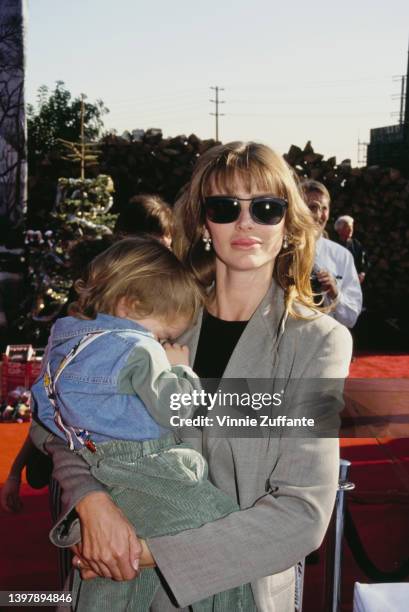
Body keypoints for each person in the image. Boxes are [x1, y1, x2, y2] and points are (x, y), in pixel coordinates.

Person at [31, 142, 352, 612]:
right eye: (225, 207)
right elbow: (59, 419)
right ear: (204, 223)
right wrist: (92, 502)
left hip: (233, 589)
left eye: (266, 207)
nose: (245, 222)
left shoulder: (317, 342)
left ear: (288, 225)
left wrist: (145, 554)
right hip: (112, 584)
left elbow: (302, 513)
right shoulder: (157, 316)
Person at [31, 236, 254, 611]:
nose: (164, 341)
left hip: (98, 464)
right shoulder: (138, 347)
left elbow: (44, 413)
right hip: (148, 464)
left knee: (117, 575)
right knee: (219, 528)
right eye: (164, 334)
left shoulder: (64, 339)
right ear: (132, 305)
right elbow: (175, 409)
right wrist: (178, 367)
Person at [301, 179, 362, 329]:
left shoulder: (342, 256)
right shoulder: (278, 252)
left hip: (328, 344)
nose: (319, 215)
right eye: (312, 207)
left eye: (324, 208)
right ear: (297, 209)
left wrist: (335, 293)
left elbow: (351, 318)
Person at [334, 215, 368, 284]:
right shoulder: (333, 244)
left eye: (351, 227)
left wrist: (362, 273)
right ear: (339, 230)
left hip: (353, 280)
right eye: (347, 227)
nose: (350, 229)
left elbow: (363, 262)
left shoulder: (356, 244)